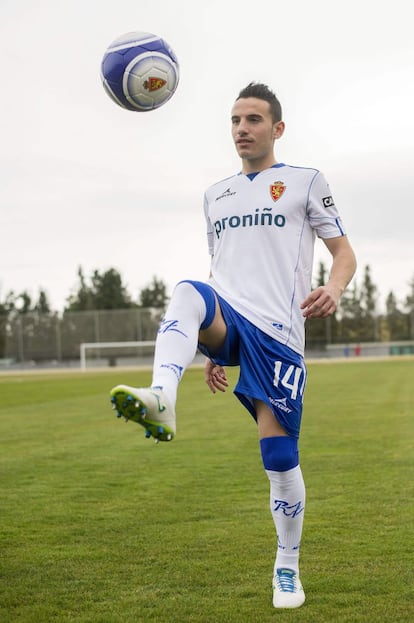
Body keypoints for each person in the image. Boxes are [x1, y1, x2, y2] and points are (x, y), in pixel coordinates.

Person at [110, 82, 357, 609]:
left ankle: (286, 567)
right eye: (235, 120)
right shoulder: (214, 195)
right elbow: (217, 275)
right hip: (230, 319)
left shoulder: (306, 181)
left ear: (277, 129)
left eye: (253, 120)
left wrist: (333, 289)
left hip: (279, 336)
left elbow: (343, 252)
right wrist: (205, 343)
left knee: (280, 457)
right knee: (186, 290)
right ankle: (162, 397)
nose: (242, 129)